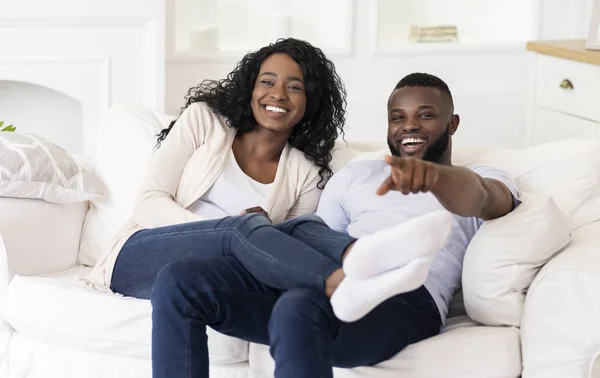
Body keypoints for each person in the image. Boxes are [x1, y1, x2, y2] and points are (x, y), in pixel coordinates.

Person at [150, 73, 520, 378]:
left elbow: (485, 199)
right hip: (336, 280)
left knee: (298, 306)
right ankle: (354, 265)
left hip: (408, 296)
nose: (409, 125)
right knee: (180, 281)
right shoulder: (358, 174)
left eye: (425, 115)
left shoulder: (479, 177)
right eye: (397, 117)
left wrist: (434, 179)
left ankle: (372, 268)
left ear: (452, 124)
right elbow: (317, 238)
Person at [85, 38, 348, 297]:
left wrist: (257, 233)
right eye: (267, 82)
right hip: (141, 254)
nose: (278, 94)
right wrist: (227, 231)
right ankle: (339, 283)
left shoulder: (306, 175)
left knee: (297, 232)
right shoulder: (204, 121)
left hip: (215, 275)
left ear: (310, 100)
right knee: (243, 228)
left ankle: (357, 264)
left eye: (294, 87)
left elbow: (284, 252)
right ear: (251, 89)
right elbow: (148, 203)